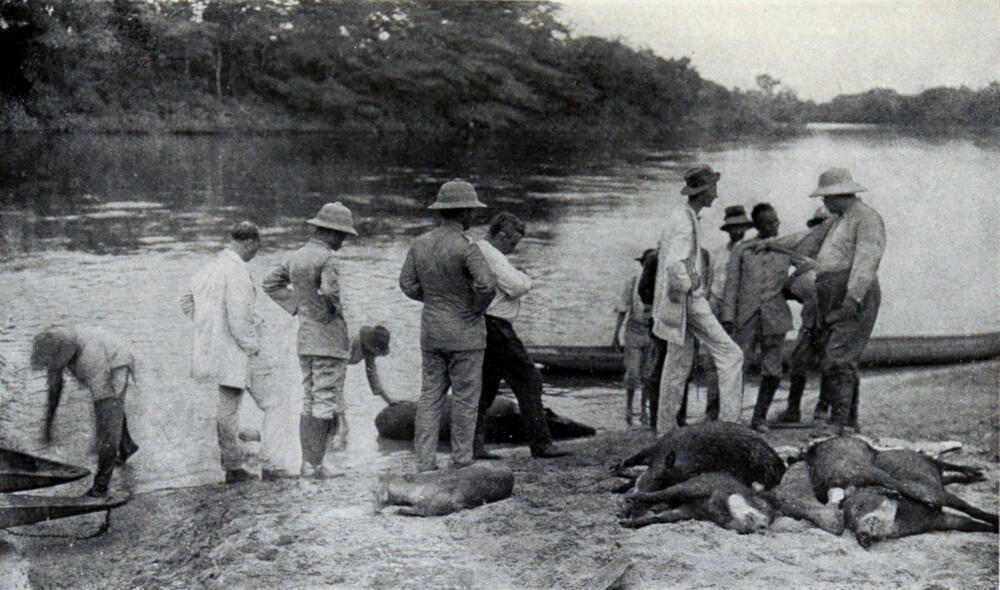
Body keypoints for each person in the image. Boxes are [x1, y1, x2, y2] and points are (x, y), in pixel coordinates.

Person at [757, 168, 885, 434]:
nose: (823, 203)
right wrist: (771, 243)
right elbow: (805, 239)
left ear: (839, 195)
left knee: (839, 356)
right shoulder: (838, 220)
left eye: (826, 197)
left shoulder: (866, 218)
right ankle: (848, 421)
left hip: (851, 292)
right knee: (836, 356)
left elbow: (867, 259)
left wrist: (854, 296)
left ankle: (839, 423)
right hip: (830, 292)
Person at [181, 221, 295, 483]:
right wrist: (251, 345)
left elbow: (186, 302)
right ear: (249, 243)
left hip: (217, 352)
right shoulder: (237, 271)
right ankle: (273, 465)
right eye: (257, 247)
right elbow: (239, 316)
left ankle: (233, 467)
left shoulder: (208, 269)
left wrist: (210, 329)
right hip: (241, 352)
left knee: (227, 409)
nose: (256, 253)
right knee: (276, 403)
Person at [399, 180, 496, 471]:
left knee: (429, 397)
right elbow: (487, 284)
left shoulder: (420, 243)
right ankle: (461, 460)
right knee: (466, 399)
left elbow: (406, 284)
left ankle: (425, 462)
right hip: (465, 334)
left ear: (442, 211)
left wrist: (432, 299)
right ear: (466, 213)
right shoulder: (467, 246)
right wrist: (474, 309)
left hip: (431, 330)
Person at [261, 203, 358, 479]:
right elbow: (329, 291)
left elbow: (269, 283)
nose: (342, 240)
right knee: (325, 400)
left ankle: (308, 463)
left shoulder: (296, 256)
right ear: (329, 232)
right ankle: (315, 465)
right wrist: (331, 311)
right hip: (329, 339)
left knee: (309, 398)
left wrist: (298, 306)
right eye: (341, 235)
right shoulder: (327, 259)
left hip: (305, 338)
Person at [651, 165, 744, 435]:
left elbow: (673, 261)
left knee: (677, 365)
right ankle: (729, 425)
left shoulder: (681, 216)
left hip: (675, 303)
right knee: (731, 355)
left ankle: (665, 428)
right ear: (702, 192)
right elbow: (674, 264)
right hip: (688, 302)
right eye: (713, 188)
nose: (716, 195)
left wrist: (687, 282)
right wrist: (692, 286)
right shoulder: (684, 221)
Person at [474, 212, 566, 459]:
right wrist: (524, 277)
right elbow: (518, 286)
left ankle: (474, 445)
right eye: (512, 243)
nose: (513, 249)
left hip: (485, 325)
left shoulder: (483, 252)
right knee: (529, 379)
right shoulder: (490, 254)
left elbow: (513, 284)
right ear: (501, 236)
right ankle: (541, 443)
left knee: (485, 387)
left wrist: (517, 277)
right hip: (496, 327)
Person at [722, 203, 811, 432]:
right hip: (746, 317)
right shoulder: (742, 250)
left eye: (776, 220)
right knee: (738, 364)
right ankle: (731, 417)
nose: (776, 225)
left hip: (775, 315)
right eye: (771, 222)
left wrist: (795, 287)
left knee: (772, 368)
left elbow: (810, 267)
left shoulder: (786, 248)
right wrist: (728, 317)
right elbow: (731, 285)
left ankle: (759, 418)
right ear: (759, 225)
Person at [30, 326, 140, 497]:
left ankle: (101, 485)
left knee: (109, 419)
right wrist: (48, 425)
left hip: (116, 363)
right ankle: (127, 446)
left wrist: (99, 440)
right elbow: (54, 388)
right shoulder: (59, 343)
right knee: (112, 412)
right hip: (101, 349)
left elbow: (105, 404)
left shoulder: (91, 361)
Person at [775, 206, 833, 424]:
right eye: (817, 226)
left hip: (832, 316)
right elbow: (790, 285)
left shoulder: (840, 252)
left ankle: (822, 408)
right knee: (798, 361)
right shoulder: (804, 255)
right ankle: (793, 409)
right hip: (810, 317)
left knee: (830, 362)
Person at [700, 206, 755, 421]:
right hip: (716, 306)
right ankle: (712, 410)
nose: (737, 231)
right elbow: (709, 283)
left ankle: (732, 413)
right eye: (733, 227)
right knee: (712, 361)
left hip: (741, 311)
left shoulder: (750, 252)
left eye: (740, 227)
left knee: (737, 361)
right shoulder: (718, 253)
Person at [325, 324, 397, 451]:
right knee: (332, 411)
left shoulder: (368, 348)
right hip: (326, 362)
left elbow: (372, 375)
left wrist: (388, 399)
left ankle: (332, 439)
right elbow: (337, 379)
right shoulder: (349, 343)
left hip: (336, 370)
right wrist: (341, 413)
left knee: (336, 413)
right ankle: (330, 444)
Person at [613, 248, 656, 426]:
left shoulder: (660, 283)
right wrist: (615, 334)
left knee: (648, 373)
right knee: (632, 373)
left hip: (652, 332)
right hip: (634, 331)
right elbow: (623, 308)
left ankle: (644, 409)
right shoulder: (632, 282)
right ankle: (629, 408)